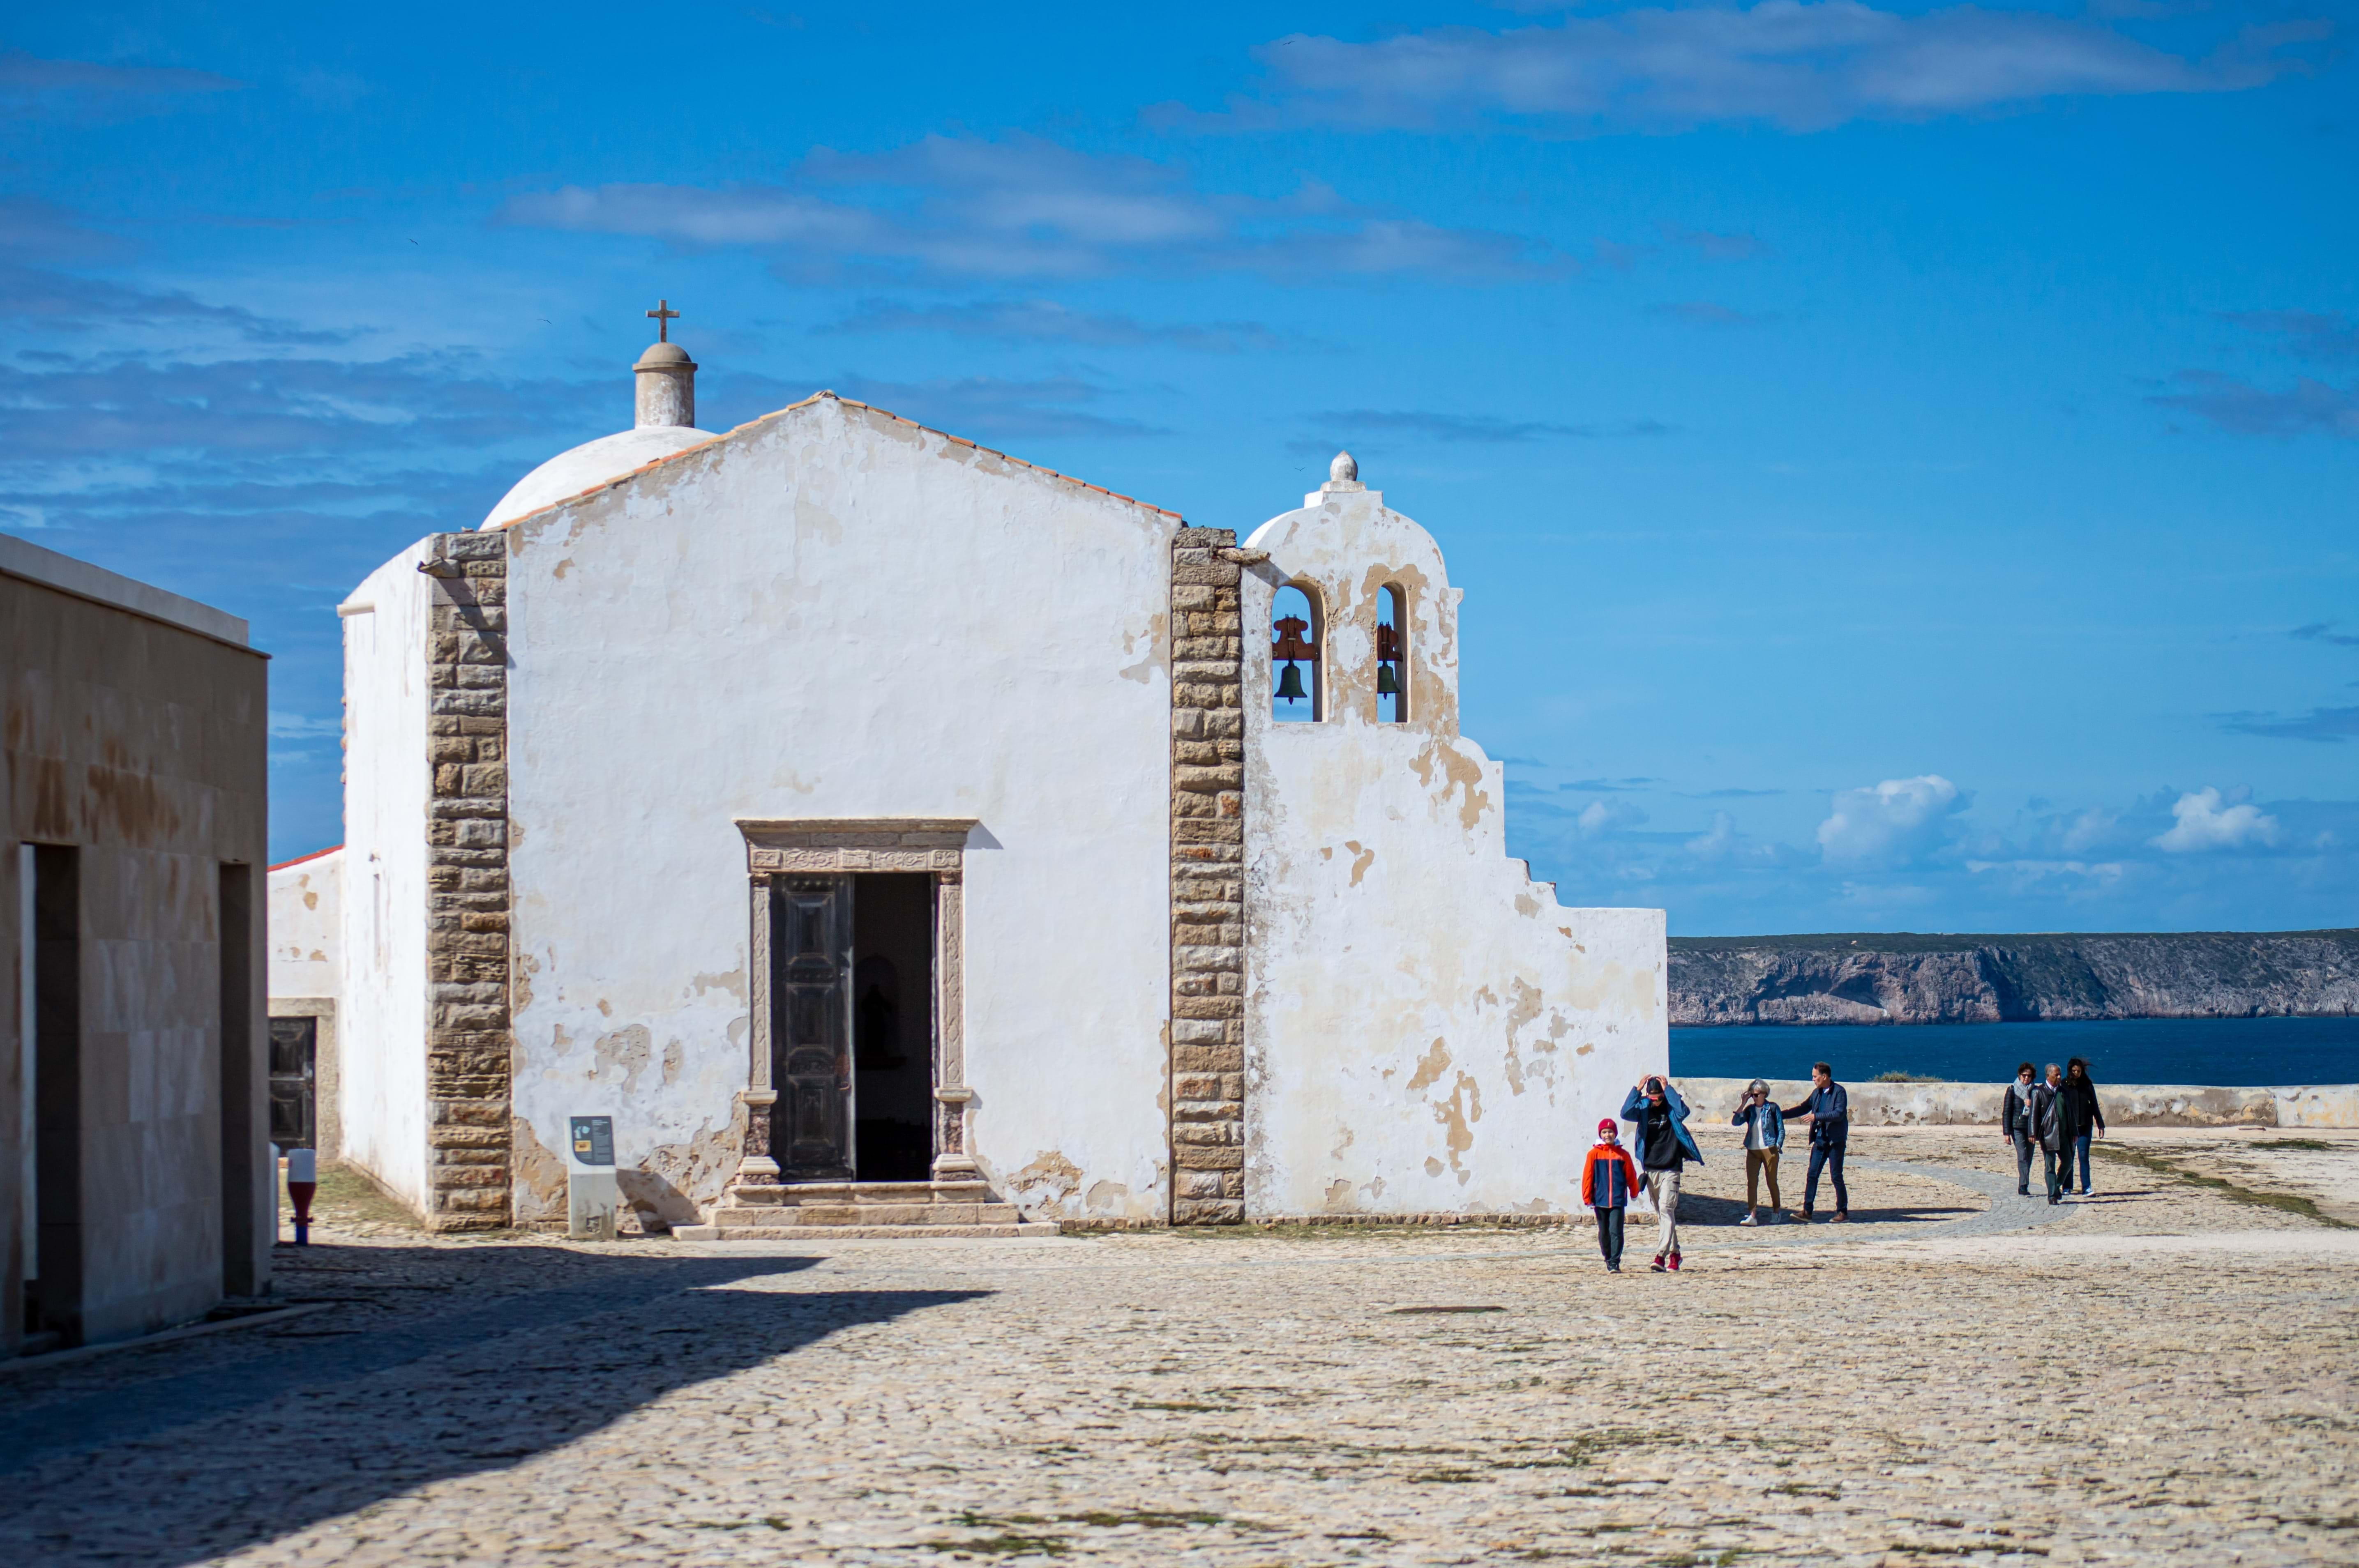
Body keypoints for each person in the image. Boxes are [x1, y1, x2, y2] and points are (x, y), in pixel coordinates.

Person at [1620, 1073, 1704, 1272]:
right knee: (1663, 1214)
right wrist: (1637, 1089)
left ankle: (1660, 1257)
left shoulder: (1672, 1109)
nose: (1655, 1101)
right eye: (1652, 1097)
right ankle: (1675, 1254)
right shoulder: (1643, 1108)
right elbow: (1625, 1112)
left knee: (1667, 1209)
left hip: (1671, 1168)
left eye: (1658, 1097)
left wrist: (1669, 1090)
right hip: (1651, 1169)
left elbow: (1684, 1112)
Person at [1785, 1062, 1850, 1221]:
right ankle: (1807, 1212)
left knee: (1836, 1176)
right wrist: (1780, 1114)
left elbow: (1839, 1114)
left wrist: (1817, 1117)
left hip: (1835, 1142)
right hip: (1820, 1141)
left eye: (1815, 1077)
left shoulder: (1839, 1092)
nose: (1813, 1079)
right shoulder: (1817, 1093)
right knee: (1812, 1174)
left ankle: (1843, 1212)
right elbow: (1803, 1108)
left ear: (1824, 1077)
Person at [1580, 1117, 1642, 1273]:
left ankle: (1615, 1262)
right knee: (1604, 1233)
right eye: (1604, 1132)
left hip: (1617, 1200)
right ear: (1600, 1134)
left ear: (1615, 1134)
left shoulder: (1623, 1155)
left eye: (1610, 1132)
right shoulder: (1593, 1154)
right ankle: (1607, 1257)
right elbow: (1588, 1176)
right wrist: (1587, 1197)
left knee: (1616, 1231)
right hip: (1600, 1200)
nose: (1608, 1135)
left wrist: (1634, 1192)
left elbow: (1631, 1176)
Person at [1730, 1079, 1785, 1225]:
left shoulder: (1773, 1108)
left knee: (1772, 1182)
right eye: (1752, 1095)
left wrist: (1778, 1145)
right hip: (1753, 1150)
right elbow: (1736, 1122)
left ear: (1764, 1094)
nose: (1754, 1098)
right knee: (1752, 1183)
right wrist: (1743, 1103)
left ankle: (1776, 1211)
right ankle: (1753, 1215)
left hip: (1770, 1149)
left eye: (1755, 1095)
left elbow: (1781, 1129)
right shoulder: (1750, 1110)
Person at [2059, 1057, 2105, 1196]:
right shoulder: (2064, 1085)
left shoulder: (2087, 1085)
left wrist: (2100, 1124)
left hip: (2085, 1127)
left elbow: (2095, 1105)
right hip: (2069, 1128)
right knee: (2069, 1158)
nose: (2076, 1073)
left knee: (2084, 1157)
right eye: (2074, 1071)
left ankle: (2087, 1187)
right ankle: (2067, 1187)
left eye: (2078, 1071)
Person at [2001, 1061, 2039, 1196]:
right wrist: (2006, 1133)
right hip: (2017, 1128)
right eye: (2024, 1075)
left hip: (2031, 1128)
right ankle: (2023, 1186)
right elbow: (2007, 1112)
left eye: (2029, 1076)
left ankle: (2024, 1182)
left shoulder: (2036, 1091)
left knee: (2029, 1157)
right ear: (2019, 1075)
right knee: (2022, 1156)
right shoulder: (2012, 1090)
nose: (2026, 1078)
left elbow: (2042, 1110)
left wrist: (2033, 1104)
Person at [2034, 1063, 2068, 1204]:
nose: (2060, 1077)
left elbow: (2070, 1114)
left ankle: (2056, 1187)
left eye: (2060, 1074)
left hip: (2064, 1135)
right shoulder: (2039, 1092)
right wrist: (2033, 1134)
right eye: (2056, 1075)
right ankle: (2052, 1196)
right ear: (2048, 1076)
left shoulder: (2064, 1092)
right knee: (2050, 1166)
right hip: (2048, 1135)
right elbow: (2034, 1116)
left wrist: (2074, 1132)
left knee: (2068, 1163)